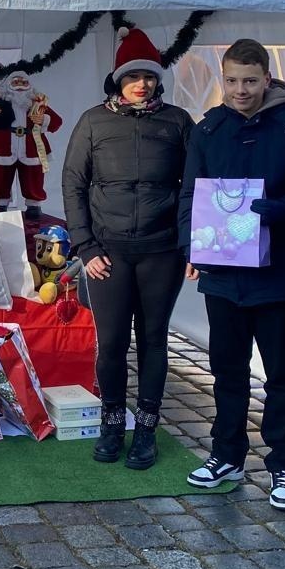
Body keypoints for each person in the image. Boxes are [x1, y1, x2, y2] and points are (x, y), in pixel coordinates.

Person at [177, 39, 285, 510]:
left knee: (282, 377)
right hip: (223, 275)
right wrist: (192, 244)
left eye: (249, 81)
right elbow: (190, 194)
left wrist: (282, 209)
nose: (240, 90)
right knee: (226, 371)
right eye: (232, 81)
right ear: (222, 80)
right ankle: (227, 453)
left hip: (277, 277)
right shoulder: (208, 131)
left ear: (267, 78)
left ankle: (283, 464)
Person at [62, 27, 193, 470]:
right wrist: (85, 246)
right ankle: (112, 425)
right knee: (112, 343)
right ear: (118, 80)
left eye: (149, 76)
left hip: (162, 252)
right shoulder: (93, 122)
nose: (142, 83)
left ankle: (147, 432)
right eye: (132, 75)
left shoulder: (177, 122)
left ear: (158, 81)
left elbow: (195, 186)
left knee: (153, 341)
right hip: (108, 254)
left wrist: (191, 244)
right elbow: (73, 184)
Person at [0, 71, 63, 219]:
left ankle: (34, 205)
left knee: (33, 177)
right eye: (16, 83)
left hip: (31, 147)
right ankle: (0, 204)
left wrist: (43, 119)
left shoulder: (37, 103)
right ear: (8, 84)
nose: (20, 86)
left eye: (24, 83)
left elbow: (57, 122)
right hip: (3, 147)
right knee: (0, 177)